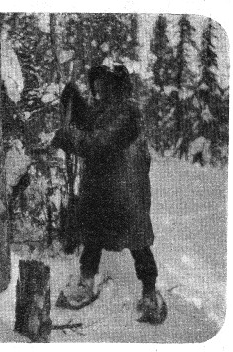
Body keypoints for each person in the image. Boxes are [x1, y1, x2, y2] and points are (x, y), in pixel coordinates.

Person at [52, 65, 167, 324]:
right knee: (93, 237)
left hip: (125, 193)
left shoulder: (127, 111)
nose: (97, 88)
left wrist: (70, 138)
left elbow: (100, 142)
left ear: (115, 84)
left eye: (103, 83)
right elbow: (90, 123)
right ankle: (86, 282)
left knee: (137, 242)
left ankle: (149, 293)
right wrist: (74, 99)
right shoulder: (105, 110)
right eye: (95, 83)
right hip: (102, 190)